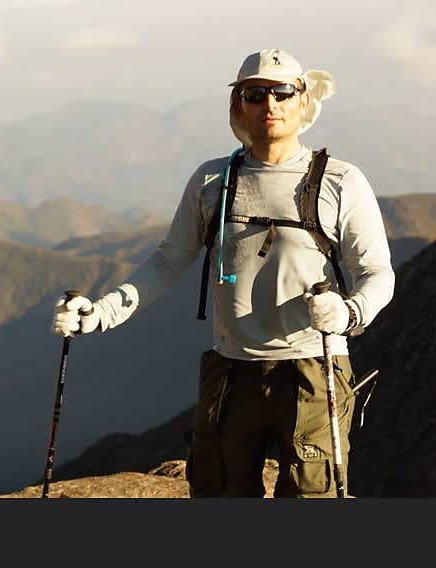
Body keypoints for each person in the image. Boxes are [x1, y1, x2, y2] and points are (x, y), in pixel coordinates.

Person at [50, 49, 395, 498]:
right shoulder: (213, 181)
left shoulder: (340, 181)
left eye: (282, 92)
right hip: (230, 369)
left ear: (302, 99)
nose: (269, 104)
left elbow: (377, 273)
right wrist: (101, 313)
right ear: (238, 105)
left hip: (314, 366)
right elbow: (168, 259)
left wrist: (349, 313)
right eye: (255, 94)